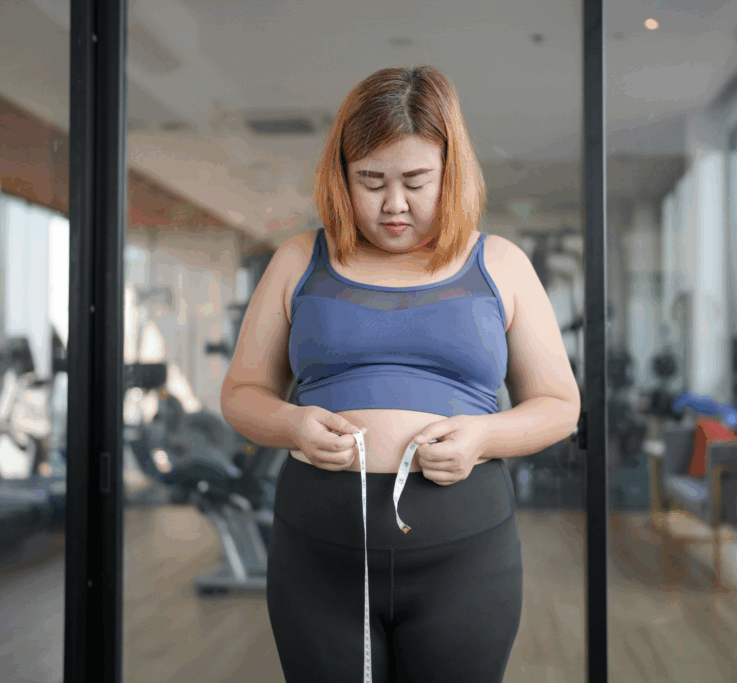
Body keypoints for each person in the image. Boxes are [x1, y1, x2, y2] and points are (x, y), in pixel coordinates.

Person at [220, 65, 581, 683]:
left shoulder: (501, 264)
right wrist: (292, 425)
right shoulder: (298, 261)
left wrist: (483, 437)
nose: (393, 204)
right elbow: (240, 394)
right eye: (371, 181)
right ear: (341, 177)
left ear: (451, 173)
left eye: (416, 181)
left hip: (466, 558)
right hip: (318, 558)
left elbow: (559, 405)